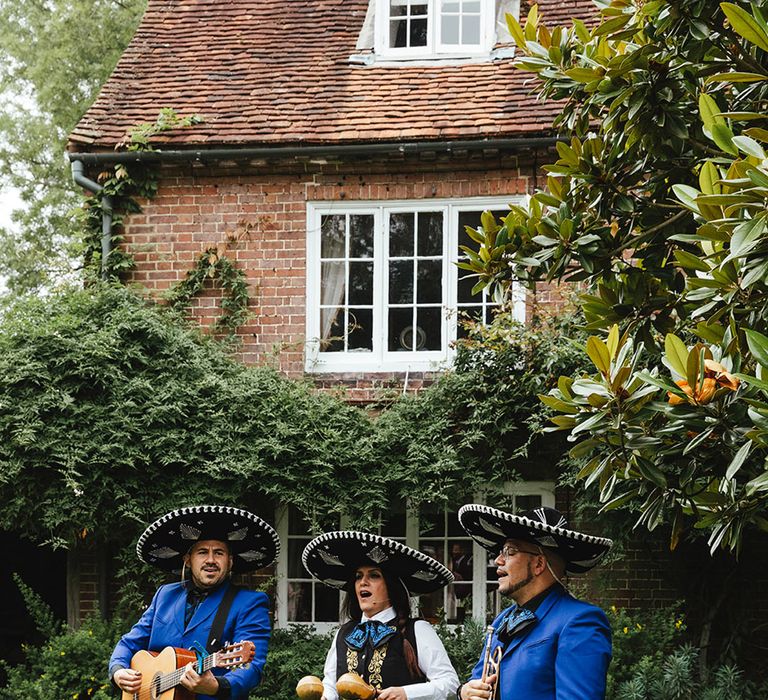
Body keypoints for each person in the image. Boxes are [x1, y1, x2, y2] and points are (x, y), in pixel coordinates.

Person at [109, 505, 280, 700]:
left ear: (230, 561)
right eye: (202, 552)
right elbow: (129, 643)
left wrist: (217, 686)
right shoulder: (165, 595)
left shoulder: (250, 603)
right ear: (188, 560)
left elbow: (252, 666)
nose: (210, 560)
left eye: (219, 553)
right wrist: (118, 671)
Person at [457, 505, 613, 700]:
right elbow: (478, 680)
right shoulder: (501, 620)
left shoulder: (581, 621)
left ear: (539, 564)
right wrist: (465, 692)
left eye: (510, 551)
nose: (498, 560)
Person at [302, 530, 460, 700]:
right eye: (358, 576)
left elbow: (450, 683)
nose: (363, 582)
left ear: (391, 586)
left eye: (374, 575)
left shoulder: (416, 630)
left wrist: (406, 693)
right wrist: (325, 696)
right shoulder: (344, 633)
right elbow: (331, 683)